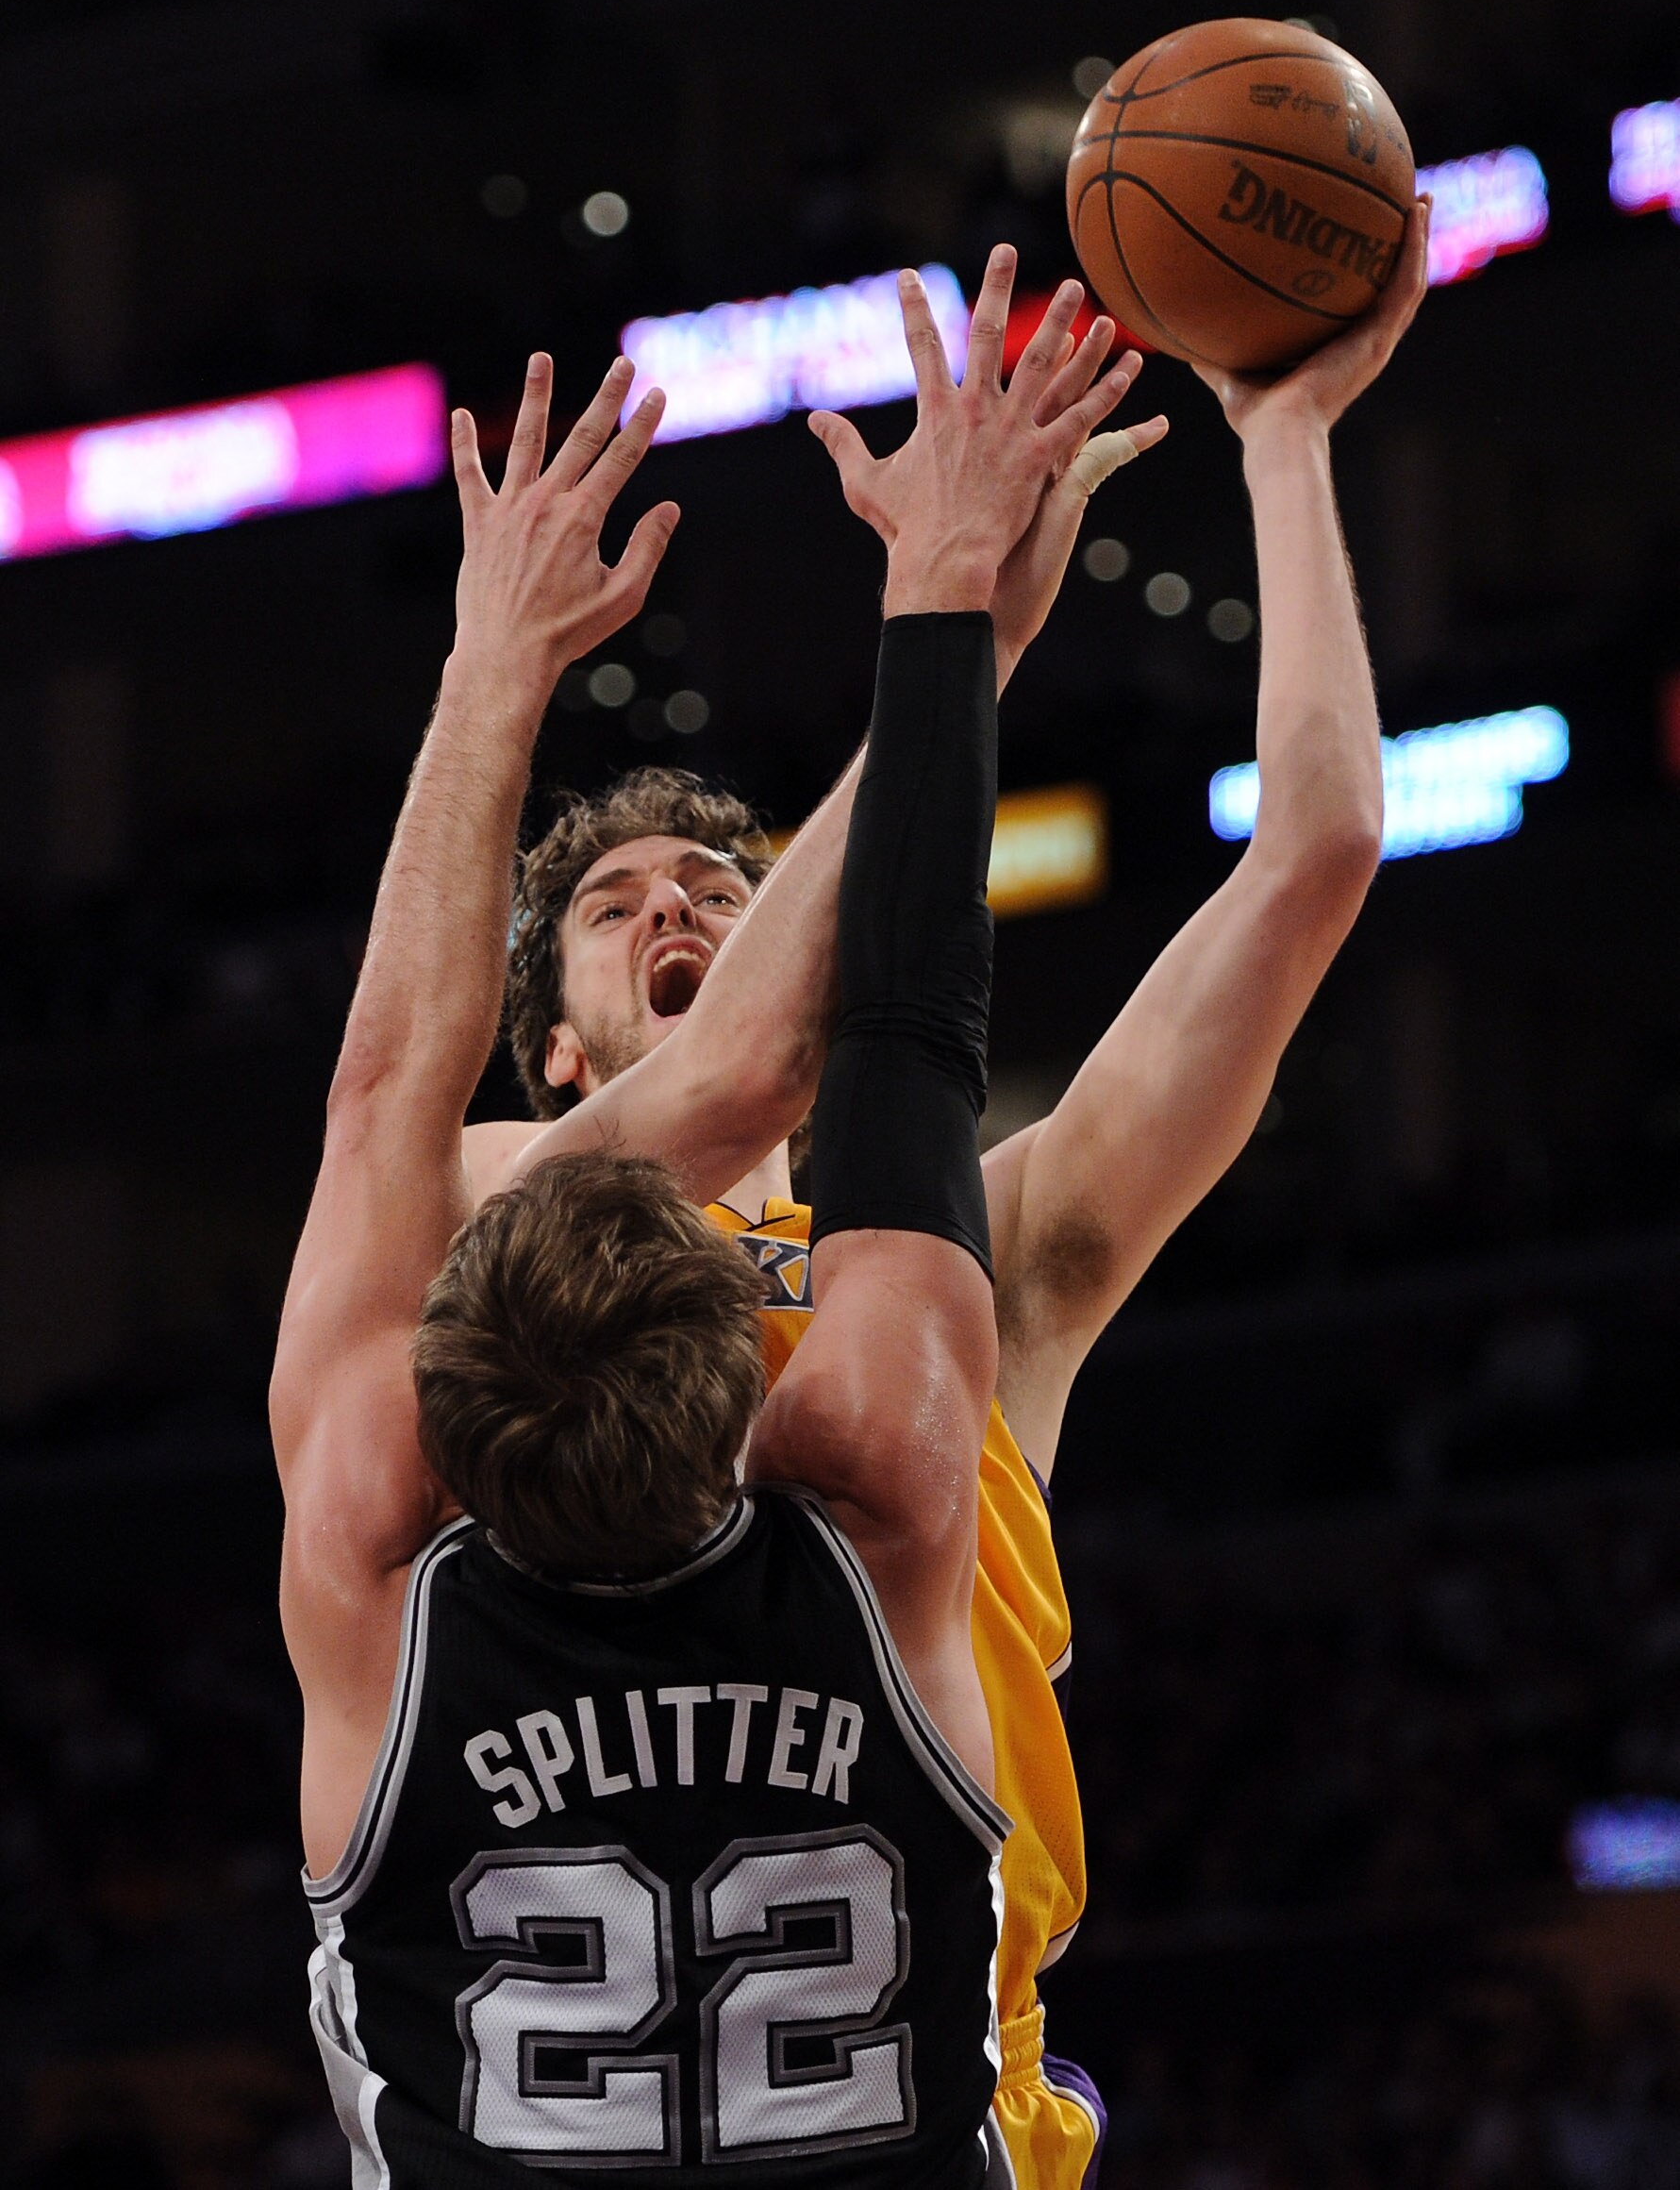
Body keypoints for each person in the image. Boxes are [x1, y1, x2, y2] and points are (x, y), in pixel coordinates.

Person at [462, 204, 1434, 2189]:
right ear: (552, 1051)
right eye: (619, 915)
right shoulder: (485, 1215)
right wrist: (955, 632)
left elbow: (1317, 851)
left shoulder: (996, 1266)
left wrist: (1289, 435)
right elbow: (734, 1061)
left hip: (947, 2112)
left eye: (723, 902)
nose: (680, 914)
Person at [271, 270, 1139, 2182]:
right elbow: (829, 1051)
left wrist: (498, 667)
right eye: (625, 906)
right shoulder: (873, 1476)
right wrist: (953, 622)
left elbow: (372, 1095)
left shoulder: (374, 1516)